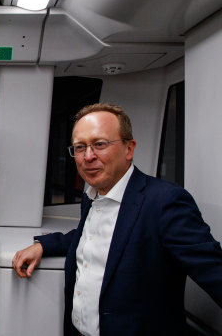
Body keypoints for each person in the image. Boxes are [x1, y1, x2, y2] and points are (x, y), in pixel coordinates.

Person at [12, 103, 222, 336]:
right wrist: (44, 244)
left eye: (100, 144)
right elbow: (94, 236)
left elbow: (213, 270)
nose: (88, 156)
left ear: (129, 149)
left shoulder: (165, 202)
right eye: (80, 147)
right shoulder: (93, 196)